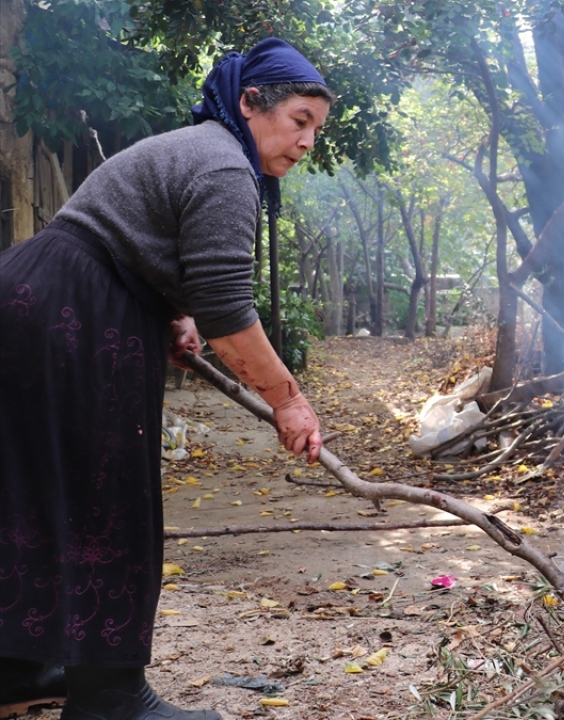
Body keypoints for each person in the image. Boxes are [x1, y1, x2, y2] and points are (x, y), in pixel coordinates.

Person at [0, 38, 330, 720]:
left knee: (36, 489)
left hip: (38, 298)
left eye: (316, 131)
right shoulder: (224, 167)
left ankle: (18, 667)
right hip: (73, 311)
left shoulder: (201, 148)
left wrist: (171, 316)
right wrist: (288, 400)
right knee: (108, 497)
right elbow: (229, 311)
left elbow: (147, 248)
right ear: (251, 103)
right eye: (300, 121)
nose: (306, 143)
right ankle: (111, 699)